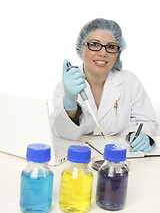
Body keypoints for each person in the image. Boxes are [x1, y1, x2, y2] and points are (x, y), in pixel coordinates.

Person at [51, 18, 158, 153]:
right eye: (94, 44)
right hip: (77, 157)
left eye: (111, 47)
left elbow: (147, 122)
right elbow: (62, 134)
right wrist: (70, 104)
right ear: (80, 49)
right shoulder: (65, 86)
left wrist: (145, 136)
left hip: (120, 157)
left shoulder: (130, 82)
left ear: (117, 52)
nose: (103, 53)